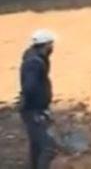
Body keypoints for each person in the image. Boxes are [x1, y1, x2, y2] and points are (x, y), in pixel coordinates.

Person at [19, 29, 57, 169]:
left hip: (32, 109)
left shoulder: (35, 57)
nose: (52, 47)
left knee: (36, 146)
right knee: (48, 148)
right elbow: (30, 87)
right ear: (45, 45)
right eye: (50, 44)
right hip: (33, 110)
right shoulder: (34, 63)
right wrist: (38, 111)